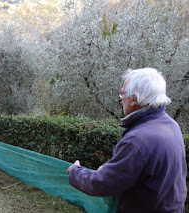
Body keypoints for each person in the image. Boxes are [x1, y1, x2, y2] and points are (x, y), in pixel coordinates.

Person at [67, 68, 187, 212]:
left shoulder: (138, 140)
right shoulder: (170, 125)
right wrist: (111, 170)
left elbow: (103, 184)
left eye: (122, 93)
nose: (121, 97)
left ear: (134, 99)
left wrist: (75, 171)